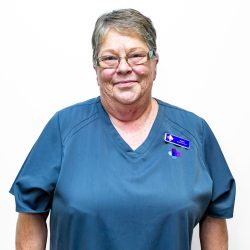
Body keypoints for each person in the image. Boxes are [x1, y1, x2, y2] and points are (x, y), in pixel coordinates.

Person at [10, 8, 236, 250]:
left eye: (136, 55)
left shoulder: (194, 132)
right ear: (96, 69)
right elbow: (30, 210)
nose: (124, 68)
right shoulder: (64, 128)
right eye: (109, 58)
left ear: (155, 63)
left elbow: (215, 211)